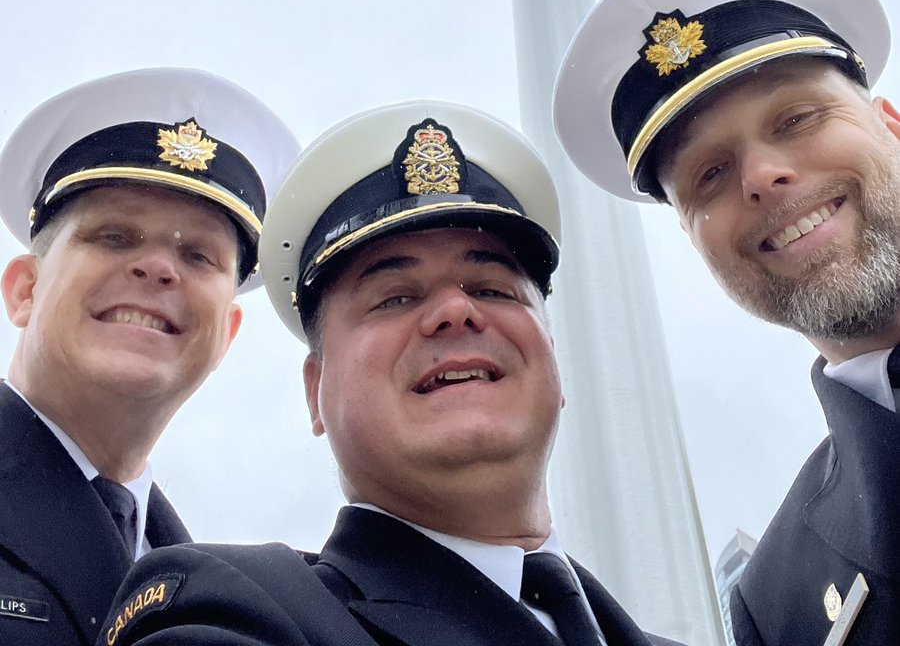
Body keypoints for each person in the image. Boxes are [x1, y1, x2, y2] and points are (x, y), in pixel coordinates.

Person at [99, 100, 679, 646]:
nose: (456, 311)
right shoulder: (228, 610)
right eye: (394, 298)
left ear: (552, 358)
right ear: (314, 394)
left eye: (492, 289)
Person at [553, 0, 900, 646]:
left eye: (797, 120)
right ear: (696, 238)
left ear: (891, 125)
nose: (761, 176)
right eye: (709, 175)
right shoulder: (776, 596)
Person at [0, 67, 299, 646]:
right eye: (115, 236)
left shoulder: (210, 589)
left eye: (200, 256)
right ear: (25, 291)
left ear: (226, 336)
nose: (160, 267)